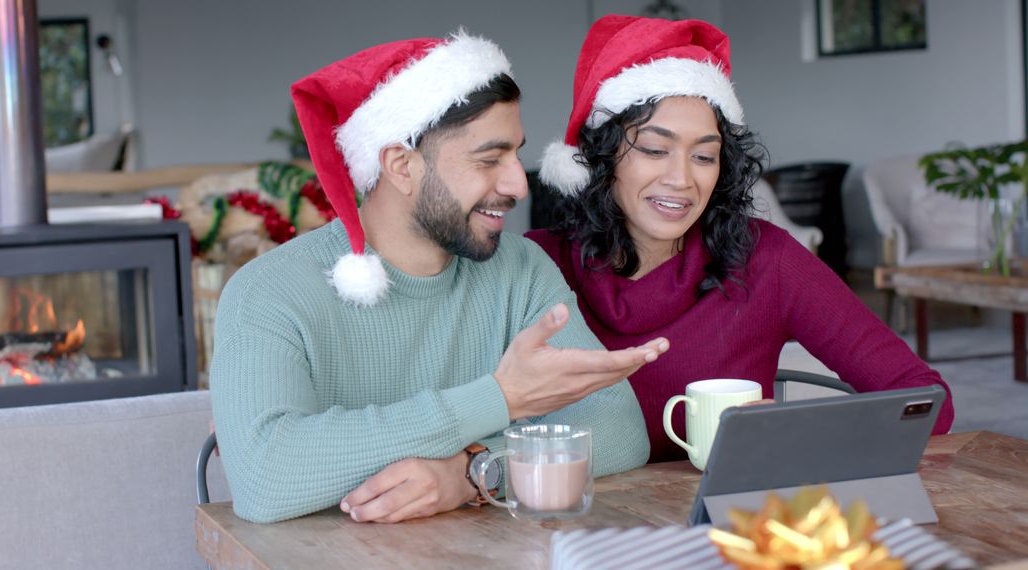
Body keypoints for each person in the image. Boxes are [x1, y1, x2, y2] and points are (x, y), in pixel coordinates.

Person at [209, 30, 668, 524]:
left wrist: (474, 473)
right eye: (489, 159)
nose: (517, 183)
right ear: (401, 167)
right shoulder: (269, 291)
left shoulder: (521, 268)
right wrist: (499, 399)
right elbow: (264, 477)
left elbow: (616, 427)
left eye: (516, 154)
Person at [527, 15, 954, 464]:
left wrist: (796, 432)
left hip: (733, 524)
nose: (681, 178)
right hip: (576, 521)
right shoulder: (533, 265)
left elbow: (925, 400)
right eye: (654, 149)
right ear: (598, 157)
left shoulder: (767, 259)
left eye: (704, 155)